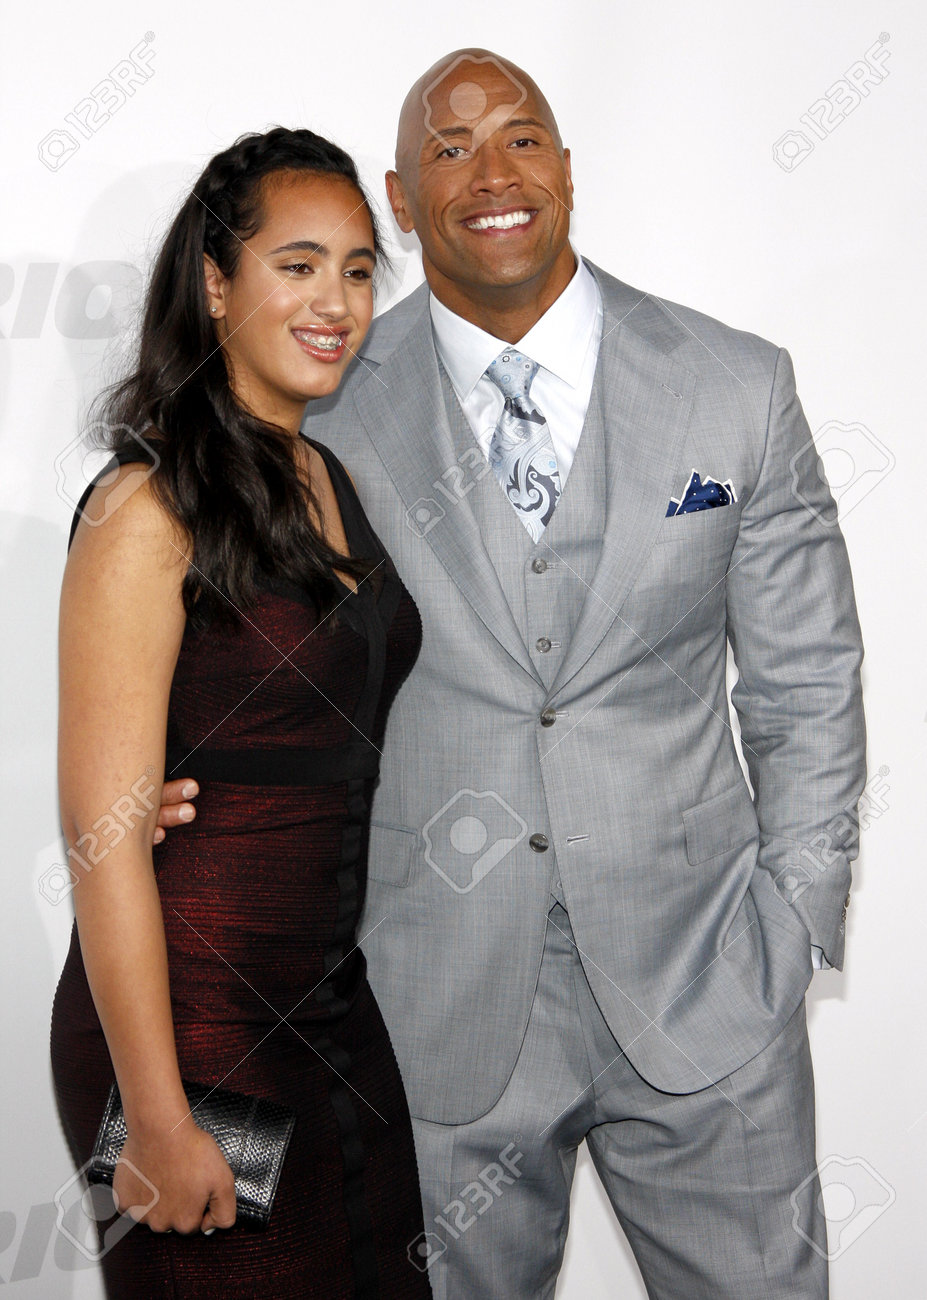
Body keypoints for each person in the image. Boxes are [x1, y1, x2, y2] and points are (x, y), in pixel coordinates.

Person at [159, 50, 867, 1299]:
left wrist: (791, 928)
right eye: (448, 147)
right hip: (432, 1011)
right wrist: (170, 783)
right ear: (400, 194)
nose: (492, 172)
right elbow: (239, 645)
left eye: (522, 138)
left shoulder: (735, 384)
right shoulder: (321, 405)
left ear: (568, 169)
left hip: (709, 997)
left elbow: (809, 678)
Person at [50, 127, 432, 1299]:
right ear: (216, 283)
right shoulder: (144, 506)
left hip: (334, 1014)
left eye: (360, 269)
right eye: (299, 263)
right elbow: (104, 843)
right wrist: (157, 1119)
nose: (337, 301)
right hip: (192, 1032)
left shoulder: (333, 481)